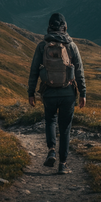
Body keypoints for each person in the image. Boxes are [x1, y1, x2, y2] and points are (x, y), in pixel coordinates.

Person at [28, 13, 87, 174]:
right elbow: (79, 71)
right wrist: (83, 93)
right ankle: (63, 164)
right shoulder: (71, 46)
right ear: (65, 27)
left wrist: (31, 93)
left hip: (48, 92)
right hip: (68, 93)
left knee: (50, 121)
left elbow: (34, 71)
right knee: (65, 127)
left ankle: (51, 150)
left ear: (49, 27)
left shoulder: (42, 46)